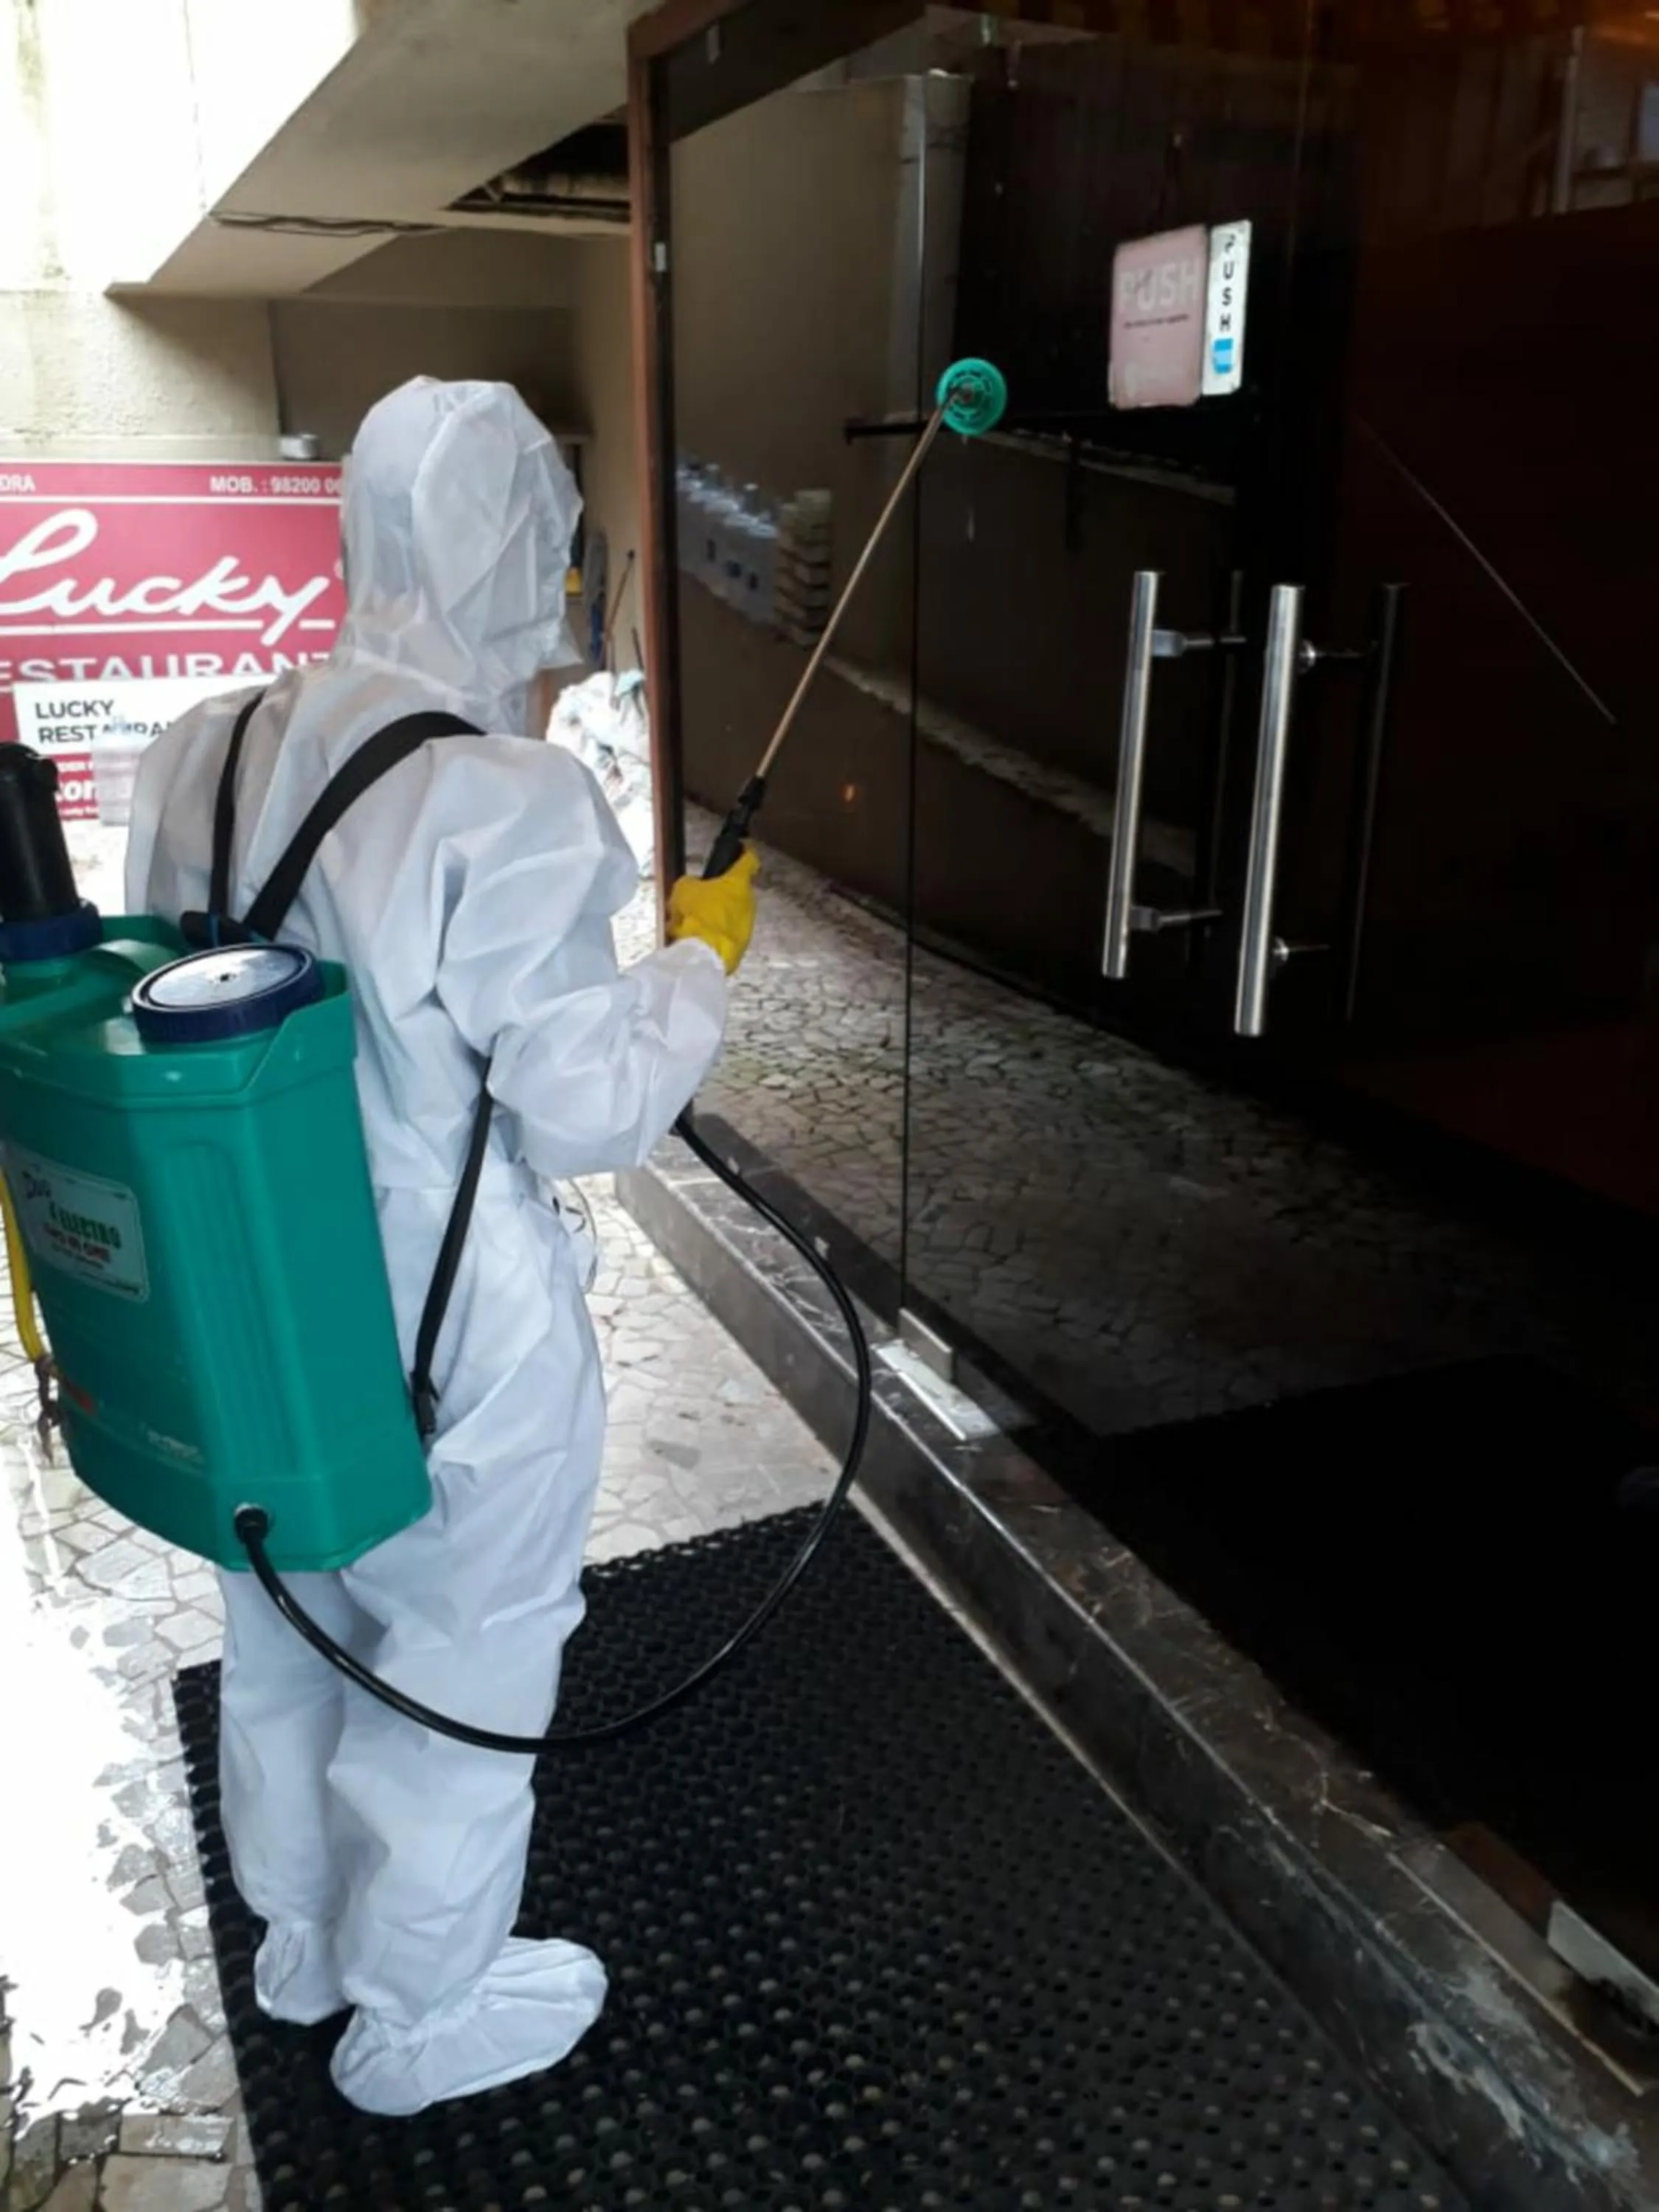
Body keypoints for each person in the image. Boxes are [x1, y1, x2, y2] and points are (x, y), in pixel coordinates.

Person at [125, 378, 759, 2116]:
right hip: (450, 1322)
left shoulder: (202, 747)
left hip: (255, 1288)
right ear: (512, 554)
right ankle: (424, 2011)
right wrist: (697, 961)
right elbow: (581, 1111)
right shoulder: (507, 800)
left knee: (285, 1613)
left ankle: (310, 1937)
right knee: (460, 1647)